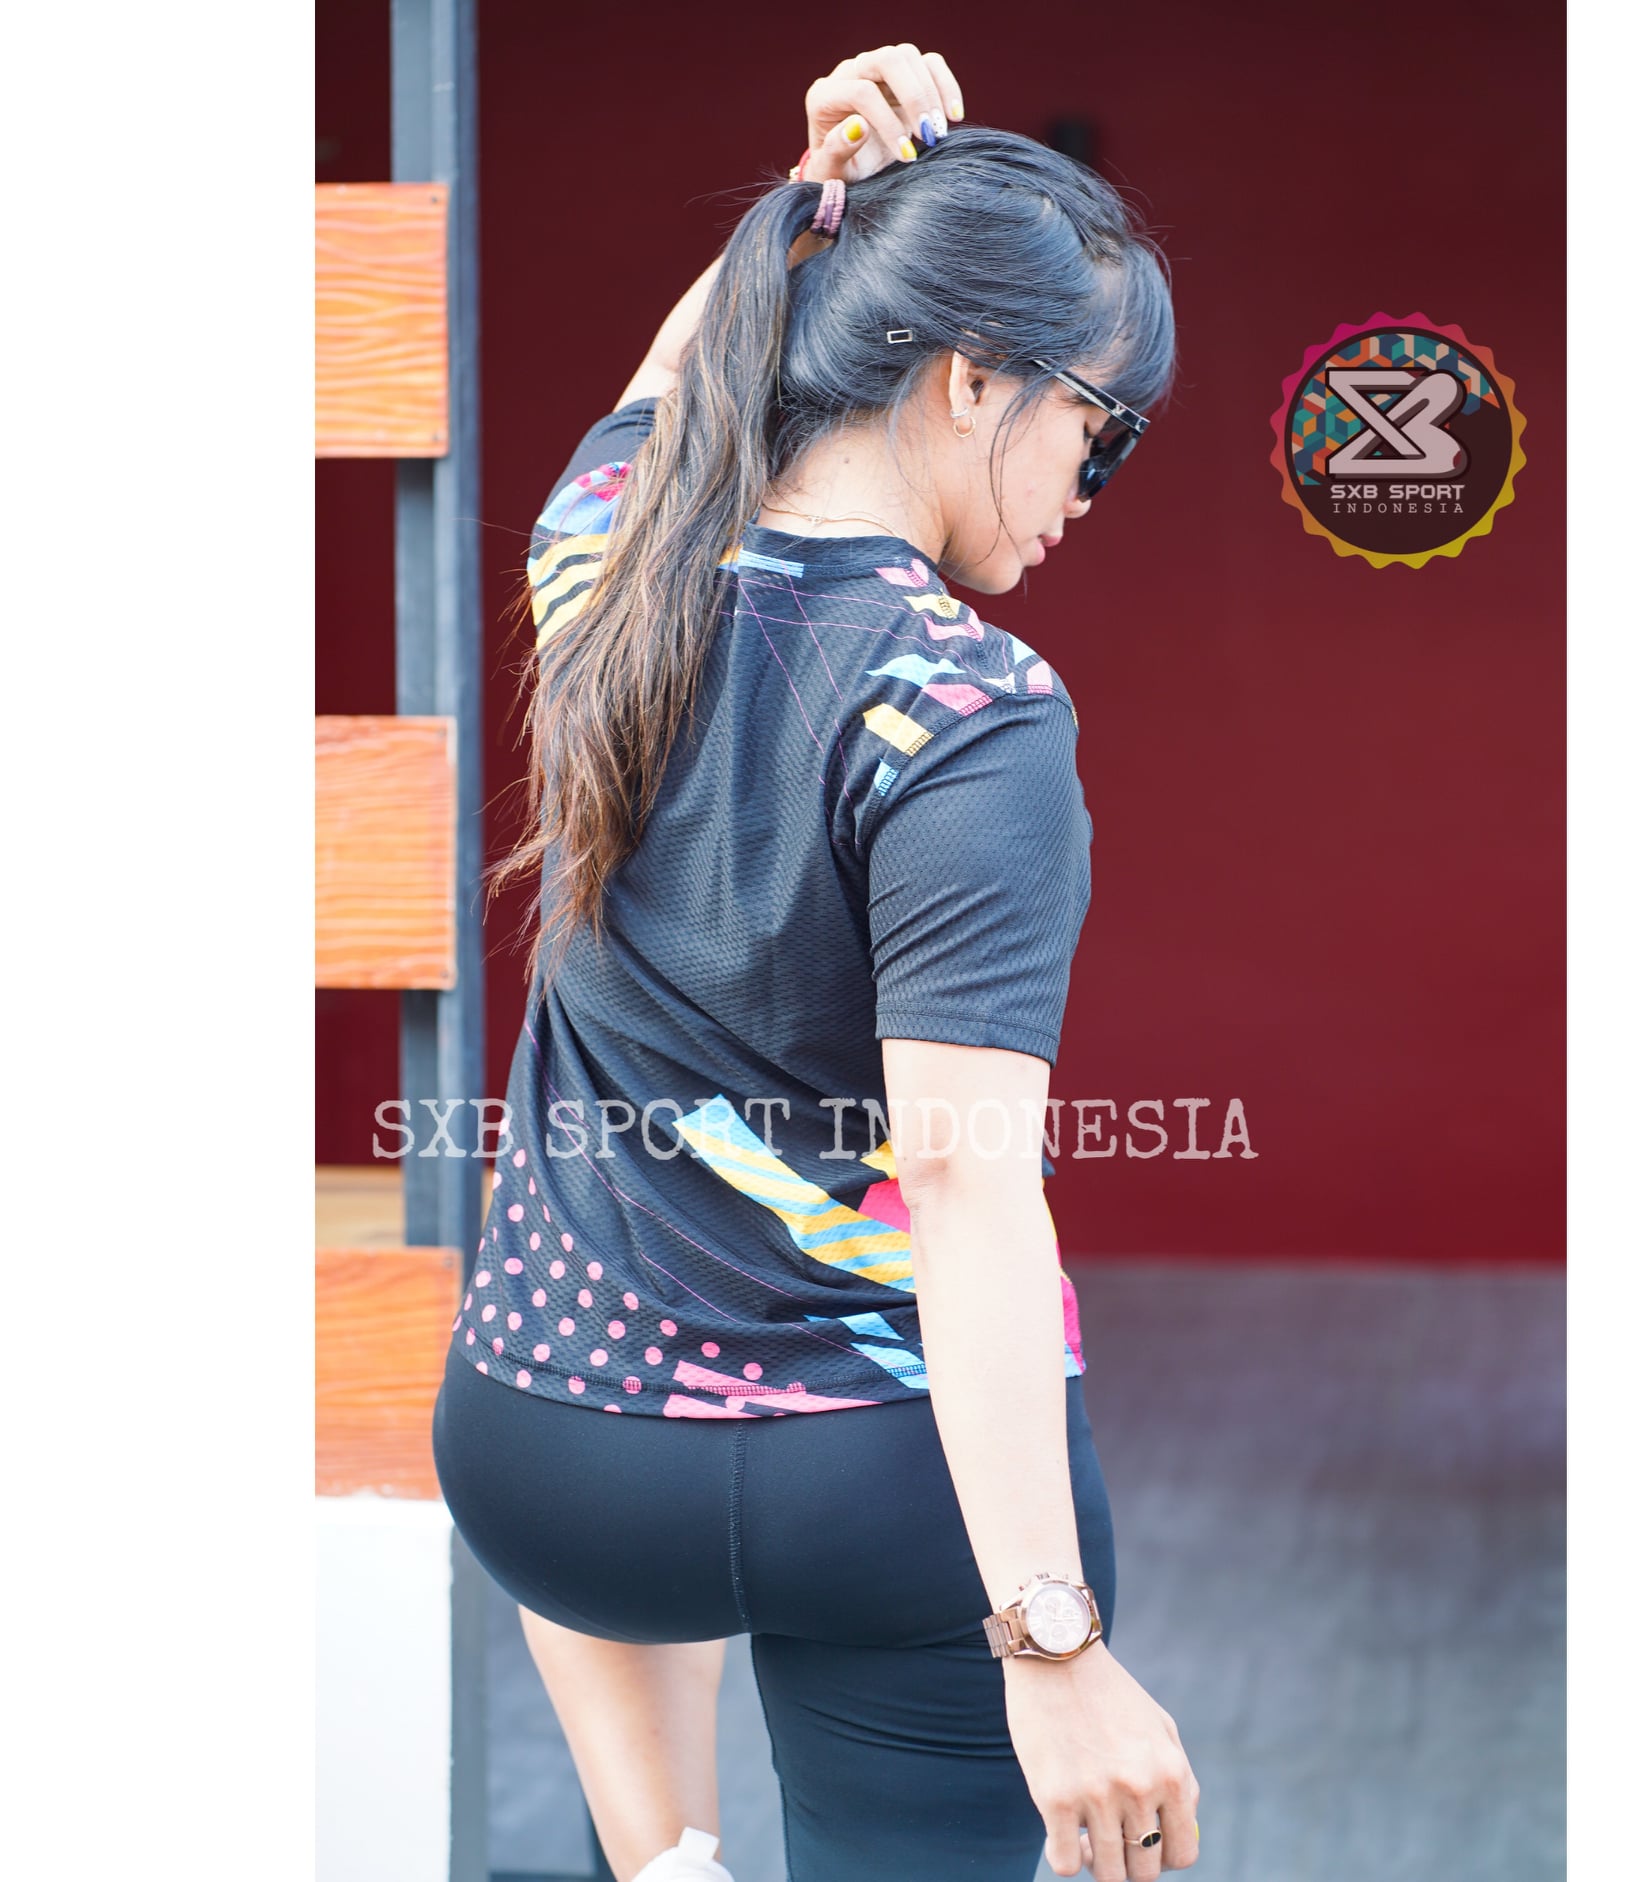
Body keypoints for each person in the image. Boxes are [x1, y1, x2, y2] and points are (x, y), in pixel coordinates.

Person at [430, 42, 1199, 1882]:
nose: (1092, 486)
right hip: (876, 1489)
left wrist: (818, 194)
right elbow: (962, 1181)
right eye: (1101, 429)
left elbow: (675, 379)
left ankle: (666, 1857)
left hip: (550, 1448)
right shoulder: (967, 711)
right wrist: (1054, 1643)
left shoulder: (605, 564)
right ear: (969, 378)